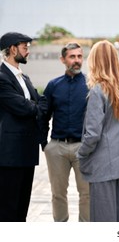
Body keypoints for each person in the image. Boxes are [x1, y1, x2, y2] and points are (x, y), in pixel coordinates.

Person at [77, 40, 119, 222]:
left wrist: (81, 153)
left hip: (102, 164)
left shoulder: (97, 91)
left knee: (103, 219)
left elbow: (93, 133)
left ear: (95, 61)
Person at [0, 32, 47, 221]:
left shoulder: (24, 78)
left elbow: (41, 102)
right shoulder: (2, 78)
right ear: (12, 49)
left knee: (22, 210)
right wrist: (36, 107)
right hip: (9, 156)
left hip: (27, 153)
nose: (28, 51)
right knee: (7, 210)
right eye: (25, 47)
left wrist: (36, 107)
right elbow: (24, 108)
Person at [41, 42, 90, 222]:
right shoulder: (53, 86)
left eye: (79, 56)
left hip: (83, 148)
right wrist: (45, 144)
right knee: (58, 194)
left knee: (87, 194)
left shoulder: (90, 84)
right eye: (72, 57)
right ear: (63, 59)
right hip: (57, 148)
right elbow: (43, 115)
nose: (76, 61)